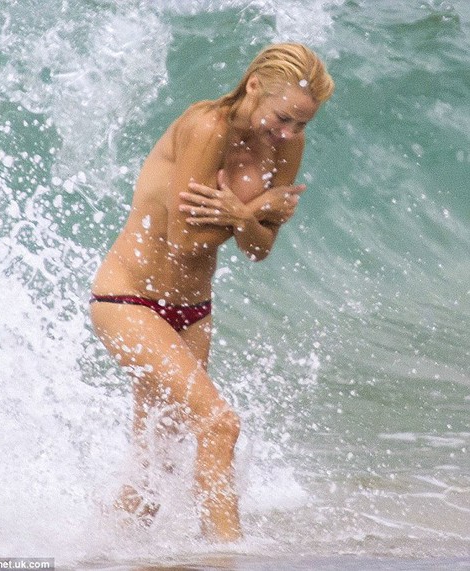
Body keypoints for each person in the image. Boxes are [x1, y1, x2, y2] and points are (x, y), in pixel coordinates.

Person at [90, 43, 334, 542]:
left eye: (302, 124)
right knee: (219, 424)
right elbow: (184, 241)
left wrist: (243, 216)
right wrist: (255, 210)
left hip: (193, 312)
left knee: (155, 472)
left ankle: (103, 551)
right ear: (253, 87)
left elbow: (259, 248)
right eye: (283, 118)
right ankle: (228, 557)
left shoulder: (286, 145)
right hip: (128, 299)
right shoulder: (207, 127)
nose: (290, 133)